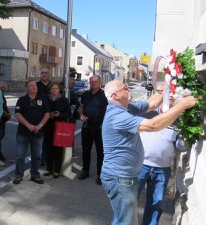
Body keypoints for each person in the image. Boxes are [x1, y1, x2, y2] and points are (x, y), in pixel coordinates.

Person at [101, 79, 196, 225]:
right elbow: (153, 125)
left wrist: (168, 89)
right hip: (119, 178)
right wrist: (181, 106)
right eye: (124, 88)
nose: (128, 89)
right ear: (115, 96)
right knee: (125, 222)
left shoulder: (127, 108)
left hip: (126, 176)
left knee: (126, 219)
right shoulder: (117, 116)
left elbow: (152, 104)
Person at [138, 84, 187, 225]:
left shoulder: (179, 119)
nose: (170, 96)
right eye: (167, 92)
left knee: (155, 204)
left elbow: (179, 145)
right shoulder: (146, 113)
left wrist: (184, 142)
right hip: (141, 165)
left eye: (173, 93)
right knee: (130, 199)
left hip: (162, 169)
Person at [13, 79, 50, 185]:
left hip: (38, 133)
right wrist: (28, 125)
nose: (34, 87)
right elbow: (18, 114)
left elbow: (47, 114)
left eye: (35, 85)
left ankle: (35, 175)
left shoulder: (42, 99)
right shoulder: (22, 100)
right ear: (27, 88)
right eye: (31, 85)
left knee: (37, 156)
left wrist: (40, 125)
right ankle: (19, 175)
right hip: (23, 133)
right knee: (20, 156)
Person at [78, 75, 108, 185]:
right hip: (87, 127)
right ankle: (85, 171)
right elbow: (81, 107)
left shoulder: (104, 95)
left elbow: (109, 111)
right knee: (85, 150)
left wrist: (104, 124)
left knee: (101, 152)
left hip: (100, 128)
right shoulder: (85, 94)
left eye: (96, 81)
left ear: (100, 82)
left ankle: (100, 174)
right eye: (92, 81)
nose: (93, 83)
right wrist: (81, 115)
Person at [44, 82, 71, 178]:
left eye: (56, 88)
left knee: (58, 149)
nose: (54, 90)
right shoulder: (46, 99)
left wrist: (59, 114)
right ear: (50, 90)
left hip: (60, 126)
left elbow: (69, 113)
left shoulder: (64, 100)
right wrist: (49, 115)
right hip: (48, 126)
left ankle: (57, 170)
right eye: (52, 88)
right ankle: (49, 168)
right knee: (48, 148)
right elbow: (43, 111)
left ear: (59, 90)